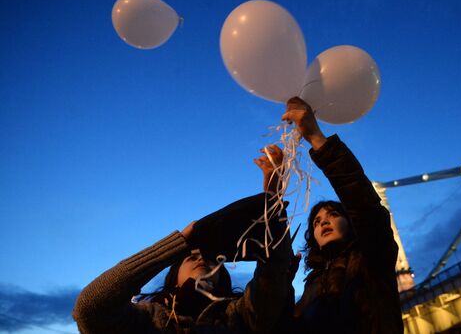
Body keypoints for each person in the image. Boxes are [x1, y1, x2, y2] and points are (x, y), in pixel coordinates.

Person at [72, 146, 294, 333]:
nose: (201, 260)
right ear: (173, 276)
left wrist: (271, 203)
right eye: (189, 258)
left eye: (211, 259)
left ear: (223, 276)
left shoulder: (239, 315)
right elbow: (91, 310)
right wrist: (180, 243)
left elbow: (272, 272)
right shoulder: (148, 319)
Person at [282, 97, 404, 334]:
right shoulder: (311, 288)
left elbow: (362, 203)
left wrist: (316, 137)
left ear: (350, 221)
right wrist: (282, 283)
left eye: (333, 215)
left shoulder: (372, 259)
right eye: (316, 222)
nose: (323, 221)